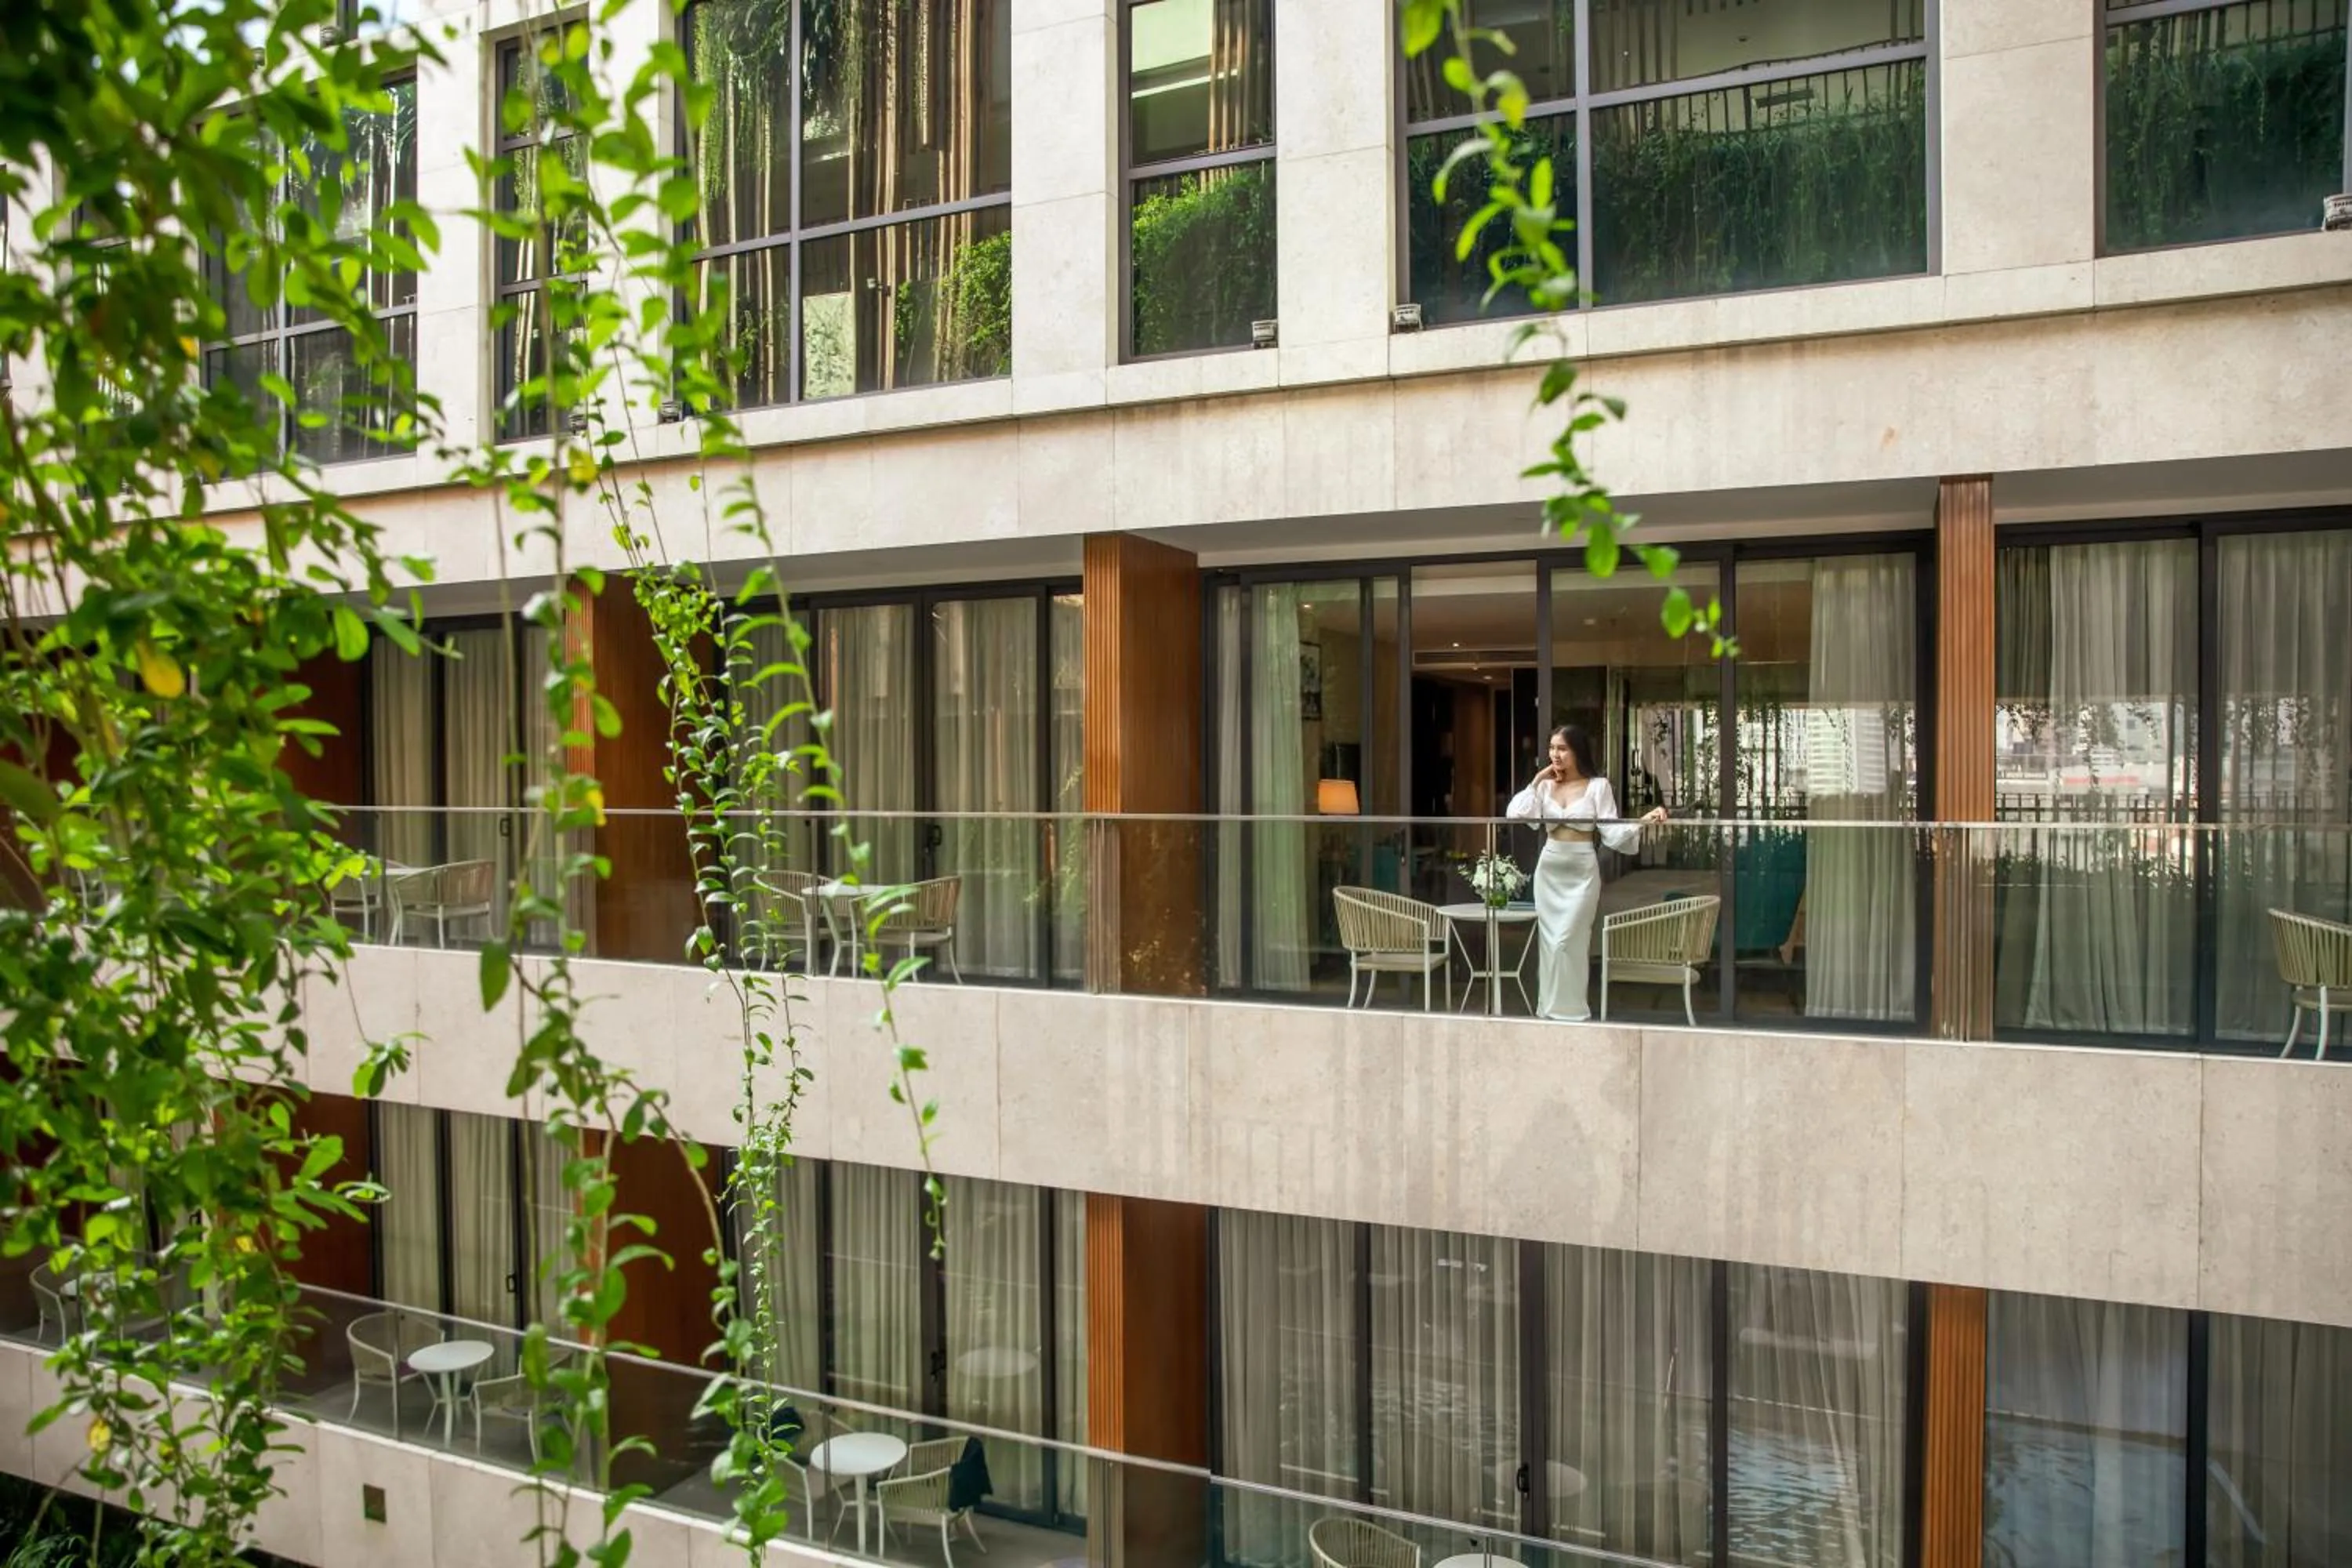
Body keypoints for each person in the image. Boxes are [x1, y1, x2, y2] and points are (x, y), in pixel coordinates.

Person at [1507, 724, 1669, 1022]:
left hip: (1582, 872)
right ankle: (1548, 1009)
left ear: (1577, 751)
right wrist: (1537, 778)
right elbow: (1516, 813)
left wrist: (1642, 821)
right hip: (1550, 870)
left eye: (1562, 748)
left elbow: (1611, 831)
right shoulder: (1544, 787)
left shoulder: (1598, 786)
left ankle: (1573, 1010)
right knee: (1550, 943)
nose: (1555, 754)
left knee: (1569, 940)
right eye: (1552, 748)